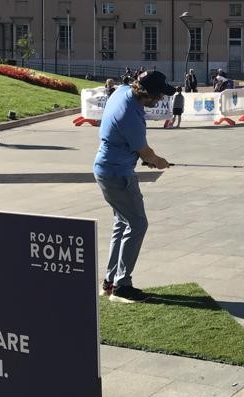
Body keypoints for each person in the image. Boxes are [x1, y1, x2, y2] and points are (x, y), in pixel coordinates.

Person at [93, 71, 173, 303]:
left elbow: (134, 147)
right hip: (118, 174)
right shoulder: (130, 114)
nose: (160, 100)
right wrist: (159, 161)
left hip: (107, 168)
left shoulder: (122, 91)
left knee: (122, 222)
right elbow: (146, 152)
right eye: (158, 96)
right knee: (138, 224)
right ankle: (121, 286)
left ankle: (110, 282)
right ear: (147, 94)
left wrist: (145, 157)